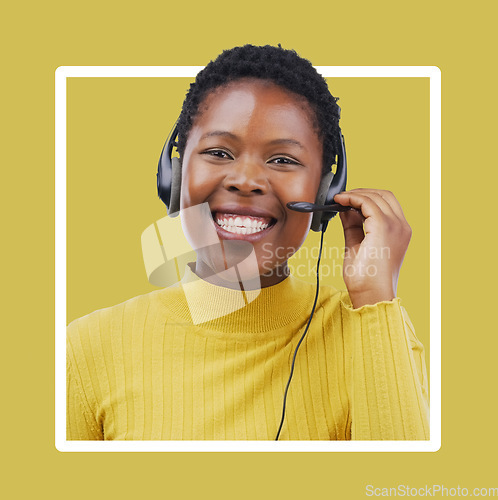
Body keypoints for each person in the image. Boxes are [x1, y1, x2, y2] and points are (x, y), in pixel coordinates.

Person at [66, 45, 429, 440]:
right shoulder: (87, 347)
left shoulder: (374, 332)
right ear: (173, 175)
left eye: (283, 160)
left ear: (325, 190)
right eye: (218, 152)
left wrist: (375, 294)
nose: (245, 180)